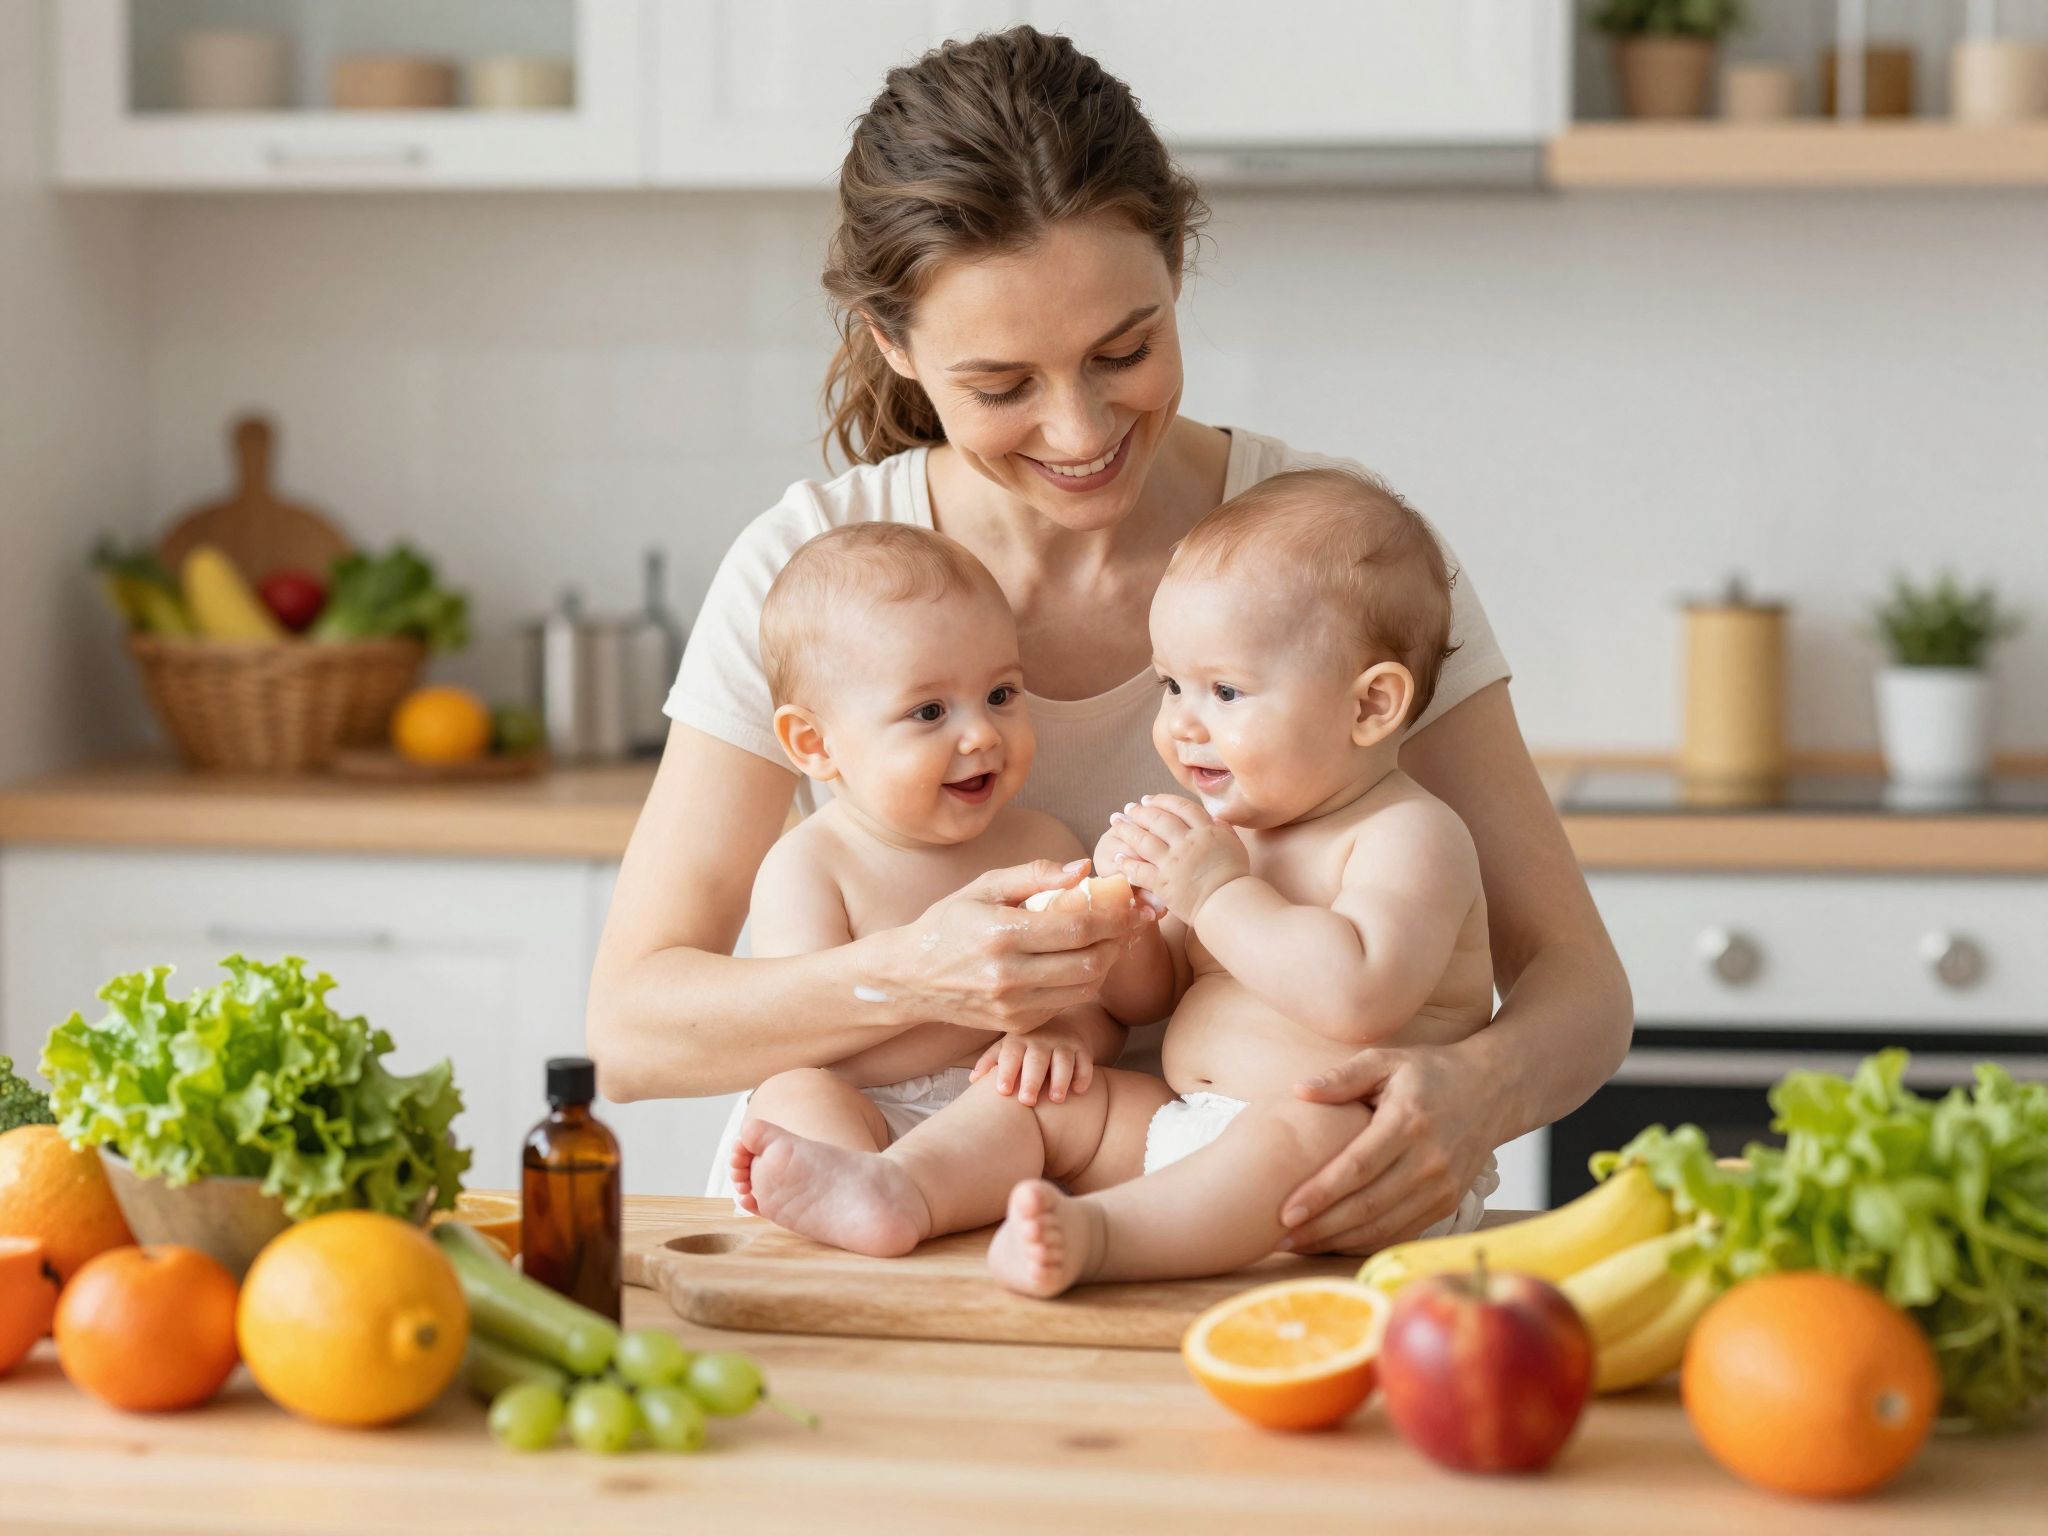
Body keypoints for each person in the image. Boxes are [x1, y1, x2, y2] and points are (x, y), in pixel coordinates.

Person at [588, 26, 1632, 1252]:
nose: (1080, 430)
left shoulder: (1328, 558)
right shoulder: (811, 565)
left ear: (1175, 269)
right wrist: (920, 975)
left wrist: (1471, 1095)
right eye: (1000, 386)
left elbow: (1580, 989)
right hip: (906, 1225)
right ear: (896, 351)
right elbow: (635, 1032)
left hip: (1230, 1224)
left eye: (1122, 352)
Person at [733, 470, 1498, 1294]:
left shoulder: (1409, 835)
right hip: (1179, 1129)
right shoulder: (1232, 836)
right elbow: (1152, 994)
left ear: (1371, 706)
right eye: (1172, 686)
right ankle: (900, 1189)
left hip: (1363, 1162)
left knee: (1304, 1130)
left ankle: (1098, 1237)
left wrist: (1214, 894)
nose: (1182, 723)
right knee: (1048, 1102)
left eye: (1226, 692)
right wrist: (1125, 932)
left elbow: (1358, 997)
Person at [716, 520, 1137, 1184]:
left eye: (1000, 696)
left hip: (996, 1121)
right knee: (794, 1098)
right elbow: (802, 1034)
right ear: (814, 744)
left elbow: (1098, 1002)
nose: (980, 736)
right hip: (861, 1117)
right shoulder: (812, 866)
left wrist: (1062, 1037)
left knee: (1091, 1102)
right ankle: (854, 1199)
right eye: (929, 712)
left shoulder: (1041, 845)